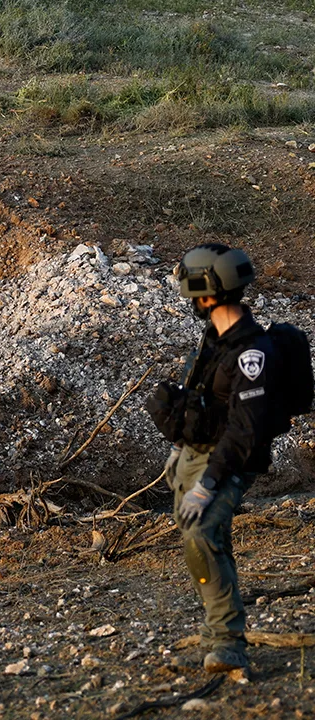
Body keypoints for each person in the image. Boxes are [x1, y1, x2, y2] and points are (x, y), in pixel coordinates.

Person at [152, 244, 277, 675]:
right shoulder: (215, 338)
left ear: (208, 292)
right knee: (202, 544)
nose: (189, 299)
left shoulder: (251, 352)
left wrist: (207, 485)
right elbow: (200, 396)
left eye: (192, 290)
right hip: (197, 453)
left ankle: (228, 644)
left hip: (229, 461)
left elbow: (245, 430)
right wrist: (178, 447)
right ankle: (215, 636)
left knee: (203, 534)